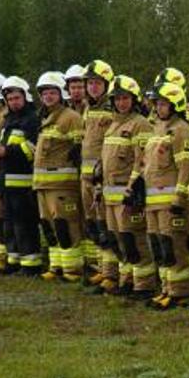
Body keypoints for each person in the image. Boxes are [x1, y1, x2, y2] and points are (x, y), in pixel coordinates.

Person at [134, 82, 189, 309]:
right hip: (153, 202)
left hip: (170, 202)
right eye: (157, 104)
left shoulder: (181, 130)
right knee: (159, 246)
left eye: (164, 104)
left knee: (174, 245)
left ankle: (180, 291)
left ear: (176, 105)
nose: (159, 108)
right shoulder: (156, 129)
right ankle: (165, 288)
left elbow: (187, 167)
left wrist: (180, 199)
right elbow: (146, 165)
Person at [100, 76, 155, 298]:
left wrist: (133, 189)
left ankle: (144, 284)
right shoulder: (113, 124)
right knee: (119, 239)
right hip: (110, 193)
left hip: (127, 193)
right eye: (118, 99)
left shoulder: (140, 124)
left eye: (125, 98)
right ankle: (126, 280)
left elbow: (141, 160)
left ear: (134, 99)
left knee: (134, 239)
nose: (121, 103)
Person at [32, 70, 88, 283]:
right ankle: (56, 266)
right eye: (45, 93)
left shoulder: (71, 118)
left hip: (63, 184)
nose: (48, 96)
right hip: (43, 184)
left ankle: (72, 269)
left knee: (66, 225)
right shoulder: (44, 118)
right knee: (48, 226)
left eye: (52, 92)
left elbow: (79, 149)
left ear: (60, 94)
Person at [0, 76, 44, 274]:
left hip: (23, 182)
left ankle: (31, 264)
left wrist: (7, 151)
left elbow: (32, 149)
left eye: (17, 98)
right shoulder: (7, 120)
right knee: (10, 224)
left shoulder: (32, 119)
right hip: (6, 180)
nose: (13, 102)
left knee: (25, 224)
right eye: (10, 99)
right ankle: (14, 260)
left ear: (25, 97)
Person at [79, 60, 118, 290]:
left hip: (102, 178)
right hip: (85, 177)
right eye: (90, 83)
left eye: (97, 83)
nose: (93, 87)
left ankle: (112, 274)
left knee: (107, 225)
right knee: (94, 224)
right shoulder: (88, 108)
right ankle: (102, 269)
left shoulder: (111, 108)